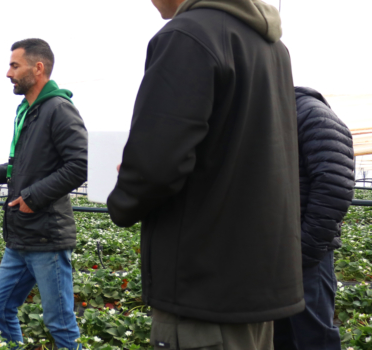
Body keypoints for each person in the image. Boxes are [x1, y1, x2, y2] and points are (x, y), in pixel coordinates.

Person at [106, 0, 303, 348]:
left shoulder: (187, 35)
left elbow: (157, 164)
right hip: (254, 287)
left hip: (203, 285)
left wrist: (123, 200)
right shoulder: (272, 45)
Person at [0, 39, 87, 350]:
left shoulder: (59, 110)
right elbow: (22, 166)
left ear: (38, 68)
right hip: (21, 237)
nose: (8, 73)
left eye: (15, 66)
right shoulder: (29, 112)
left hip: (46, 238)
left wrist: (35, 196)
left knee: (60, 324)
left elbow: (81, 164)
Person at [273, 87, 355, 350]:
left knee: (313, 336)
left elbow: (335, 187)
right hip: (274, 252)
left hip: (305, 252)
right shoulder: (272, 114)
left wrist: (304, 250)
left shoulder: (312, 114)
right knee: (278, 333)